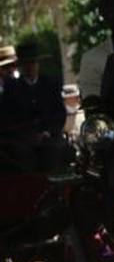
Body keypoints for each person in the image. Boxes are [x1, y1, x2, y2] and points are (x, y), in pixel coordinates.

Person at [0, 41, 67, 171]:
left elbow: (59, 114)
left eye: (32, 63)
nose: (29, 67)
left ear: (38, 64)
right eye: (25, 63)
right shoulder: (11, 88)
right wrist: (24, 134)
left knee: (55, 151)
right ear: (20, 66)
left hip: (49, 137)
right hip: (22, 140)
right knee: (20, 156)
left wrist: (47, 132)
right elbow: (6, 117)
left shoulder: (50, 84)